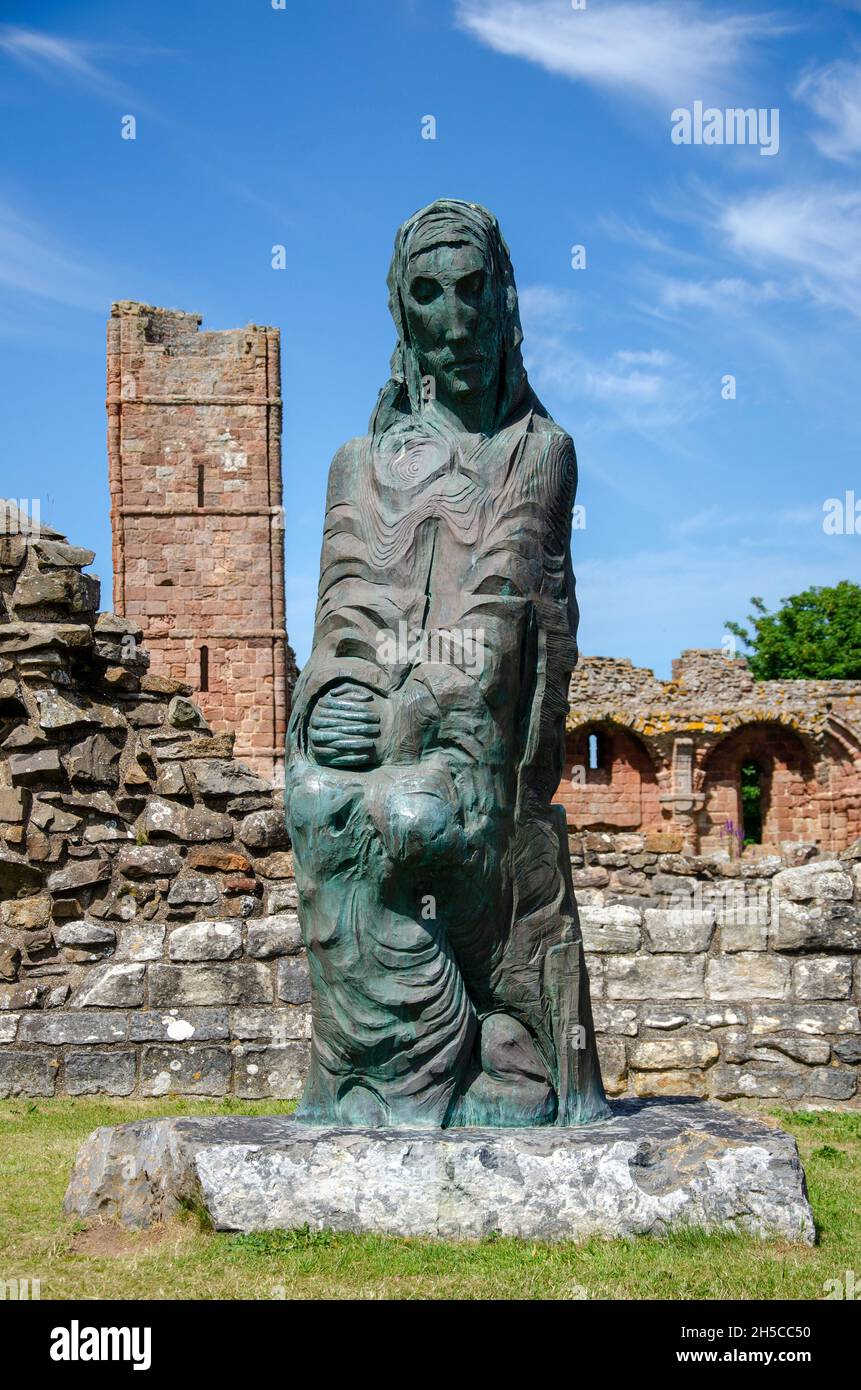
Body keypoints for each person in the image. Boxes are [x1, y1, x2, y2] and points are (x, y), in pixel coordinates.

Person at [285, 199, 609, 1127]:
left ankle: (487, 1054)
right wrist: (334, 701)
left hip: (480, 739)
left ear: (504, 301)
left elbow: (501, 606)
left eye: (473, 290)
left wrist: (402, 720)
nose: (454, 319)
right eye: (428, 293)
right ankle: (378, 1074)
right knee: (315, 797)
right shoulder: (357, 465)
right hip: (381, 720)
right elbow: (339, 614)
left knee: (413, 812)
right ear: (401, 310)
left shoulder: (536, 453)